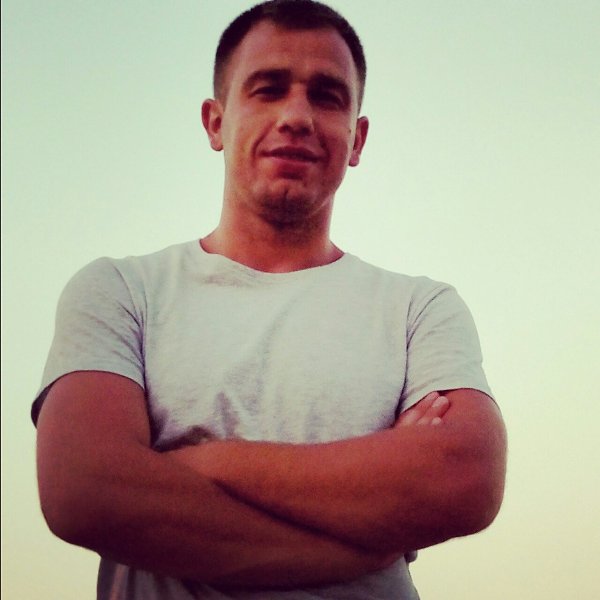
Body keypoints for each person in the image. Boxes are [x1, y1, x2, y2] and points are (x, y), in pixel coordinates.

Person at [33, 1, 507, 598]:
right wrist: (355, 538)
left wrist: (203, 463)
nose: (296, 116)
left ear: (357, 138)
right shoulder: (121, 292)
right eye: (268, 89)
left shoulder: (419, 308)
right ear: (215, 122)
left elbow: (467, 478)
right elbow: (84, 490)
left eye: (327, 97)